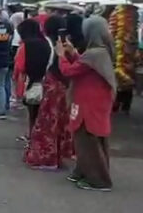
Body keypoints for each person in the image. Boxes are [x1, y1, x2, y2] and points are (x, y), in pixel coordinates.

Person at [58, 16, 116, 191]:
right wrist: (72, 52)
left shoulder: (94, 53)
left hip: (89, 104)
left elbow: (69, 71)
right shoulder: (101, 51)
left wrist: (61, 55)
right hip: (95, 102)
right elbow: (82, 65)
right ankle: (85, 171)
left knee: (87, 140)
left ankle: (98, 179)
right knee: (91, 140)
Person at [22, 15, 74, 168]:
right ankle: (57, 156)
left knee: (46, 125)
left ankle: (46, 158)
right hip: (65, 88)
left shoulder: (47, 44)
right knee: (59, 125)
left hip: (51, 87)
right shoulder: (67, 44)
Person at [14, 19, 50, 143]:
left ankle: (31, 135)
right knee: (43, 113)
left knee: (31, 113)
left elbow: (20, 66)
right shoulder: (47, 43)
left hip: (29, 82)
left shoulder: (25, 45)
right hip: (46, 82)